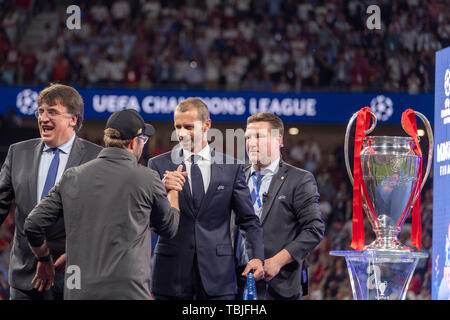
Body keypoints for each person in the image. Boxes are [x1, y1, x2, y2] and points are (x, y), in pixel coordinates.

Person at [24, 109, 181, 300]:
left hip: (79, 290)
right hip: (129, 292)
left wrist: (44, 259)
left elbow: (33, 224)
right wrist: (173, 191)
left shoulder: (73, 176)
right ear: (134, 142)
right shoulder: (147, 178)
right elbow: (170, 228)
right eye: (144, 140)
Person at [148, 97, 264, 300]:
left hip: (218, 275)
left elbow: (248, 219)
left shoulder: (232, 166)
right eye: (178, 127)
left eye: (189, 127)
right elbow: (150, 220)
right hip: (170, 274)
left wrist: (256, 256)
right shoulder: (157, 165)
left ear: (207, 125)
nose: (182, 133)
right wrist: (163, 192)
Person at [0, 84, 102, 300]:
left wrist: (76, 253)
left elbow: (105, 217)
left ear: (73, 119)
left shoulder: (97, 158)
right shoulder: (18, 152)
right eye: (41, 111)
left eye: (52, 112)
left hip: (73, 275)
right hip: (25, 276)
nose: (43, 118)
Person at [235, 112, 325, 300]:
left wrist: (277, 261)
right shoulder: (236, 177)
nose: (251, 143)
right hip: (235, 284)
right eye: (248, 137)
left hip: (278, 285)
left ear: (278, 139)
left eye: (259, 136)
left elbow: (314, 229)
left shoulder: (299, 179)